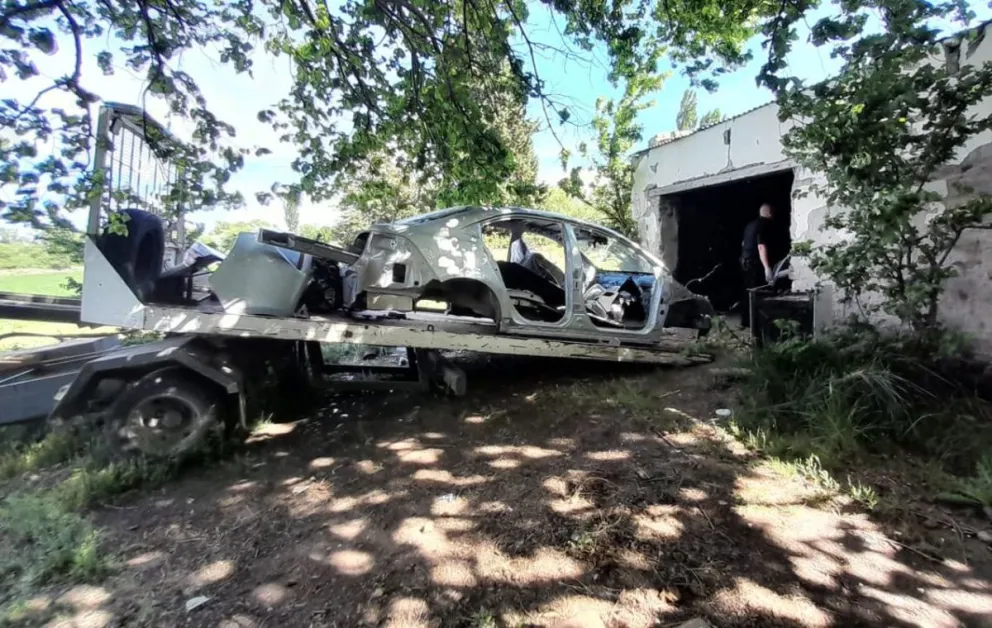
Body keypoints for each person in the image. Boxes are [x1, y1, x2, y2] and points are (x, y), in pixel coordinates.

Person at [740, 203, 784, 328]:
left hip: (745, 262)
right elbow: (761, 246)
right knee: (759, 293)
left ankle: (746, 322)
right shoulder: (764, 225)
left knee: (748, 292)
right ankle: (758, 323)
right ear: (769, 213)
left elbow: (743, 243)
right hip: (755, 263)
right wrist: (767, 267)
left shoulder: (750, 225)